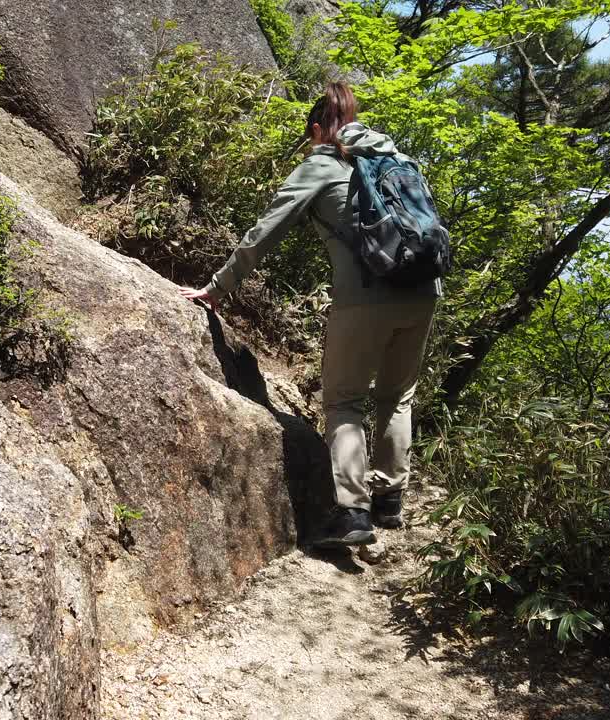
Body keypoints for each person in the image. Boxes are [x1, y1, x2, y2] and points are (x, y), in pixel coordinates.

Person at [179, 81, 440, 548]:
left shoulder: (322, 163)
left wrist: (218, 287)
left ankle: (354, 513)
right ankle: (390, 500)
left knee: (344, 401)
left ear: (318, 129)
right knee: (398, 396)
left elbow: (266, 229)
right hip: (423, 291)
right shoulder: (395, 158)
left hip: (364, 298)